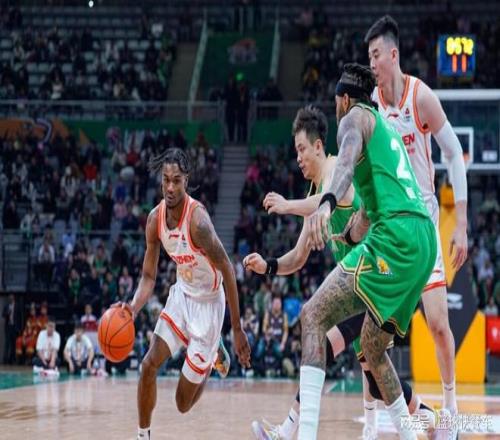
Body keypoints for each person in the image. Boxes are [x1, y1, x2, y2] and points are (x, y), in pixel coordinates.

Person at [246, 105, 435, 440]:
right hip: (357, 289)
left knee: (322, 338)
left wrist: (287, 206)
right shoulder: (315, 199)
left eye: (302, 149)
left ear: (319, 146)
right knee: (376, 381)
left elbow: (330, 197)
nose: (298, 158)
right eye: (296, 152)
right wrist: (269, 265)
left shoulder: (336, 171)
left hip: (377, 276)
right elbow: (298, 257)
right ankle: (434, 423)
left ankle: (288, 431)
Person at [296, 63, 437, 440]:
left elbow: (343, 163)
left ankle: (304, 434)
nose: (336, 110)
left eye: (335, 103)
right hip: (424, 240)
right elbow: (365, 214)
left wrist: (326, 203)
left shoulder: (353, 119)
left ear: (344, 99)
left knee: (312, 315)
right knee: (374, 351)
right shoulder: (386, 130)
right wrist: (348, 235)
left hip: (396, 236)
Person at [366, 15, 468, 421]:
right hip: (389, 229)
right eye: (368, 57)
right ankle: (375, 416)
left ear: (393, 55)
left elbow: (454, 153)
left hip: (423, 226)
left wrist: (461, 224)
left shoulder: (420, 97)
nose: (372, 63)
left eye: (376, 55)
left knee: (439, 324)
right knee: (372, 331)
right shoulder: (371, 105)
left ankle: (451, 405)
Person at [117, 148, 251, 440]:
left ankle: (212, 355)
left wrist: (236, 329)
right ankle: (142, 435)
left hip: (209, 306)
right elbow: (148, 276)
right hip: (181, 296)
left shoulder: (198, 222)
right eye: (165, 180)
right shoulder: (154, 220)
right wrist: (133, 307)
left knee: (182, 404)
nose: (169, 187)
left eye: (176, 180)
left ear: (186, 181)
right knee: (147, 365)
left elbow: (228, 270)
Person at [3, 294, 22, 364]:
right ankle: (5, 360)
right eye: (9, 298)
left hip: (15, 327)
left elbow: (20, 317)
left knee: (14, 344)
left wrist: (20, 328)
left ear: (13, 298)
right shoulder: (6, 306)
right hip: (8, 327)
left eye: (11, 298)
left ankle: (12, 360)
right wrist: (7, 313)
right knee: (7, 344)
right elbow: (3, 314)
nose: (10, 299)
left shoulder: (17, 306)